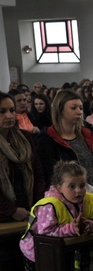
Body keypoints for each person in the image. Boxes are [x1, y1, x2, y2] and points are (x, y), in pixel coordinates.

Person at [1, 161, 93, 271]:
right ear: (59, 187)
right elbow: (46, 234)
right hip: (36, 252)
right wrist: (71, 228)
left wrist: (90, 225)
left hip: (60, 250)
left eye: (82, 185)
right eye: (72, 186)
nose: (78, 191)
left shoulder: (87, 199)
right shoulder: (50, 205)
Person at [36, 89, 93, 198]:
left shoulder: (87, 134)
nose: (79, 112)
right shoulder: (47, 138)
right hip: (66, 198)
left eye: (81, 108)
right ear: (60, 110)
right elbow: (51, 175)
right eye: (73, 108)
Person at [0, 92, 45, 223]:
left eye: (12, 110)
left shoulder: (24, 137)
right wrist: (12, 211)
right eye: (2, 111)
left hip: (29, 210)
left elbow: (38, 173)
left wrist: (37, 204)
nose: (9, 116)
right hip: (4, 216)